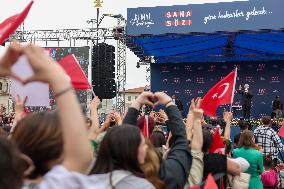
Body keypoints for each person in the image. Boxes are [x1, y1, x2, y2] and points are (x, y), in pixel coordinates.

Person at [123, 92, 192, 189]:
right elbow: (181, 140)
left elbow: (123, 138)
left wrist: (137, 103)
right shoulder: (171, 177)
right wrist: (169, 103)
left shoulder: (117, 176)